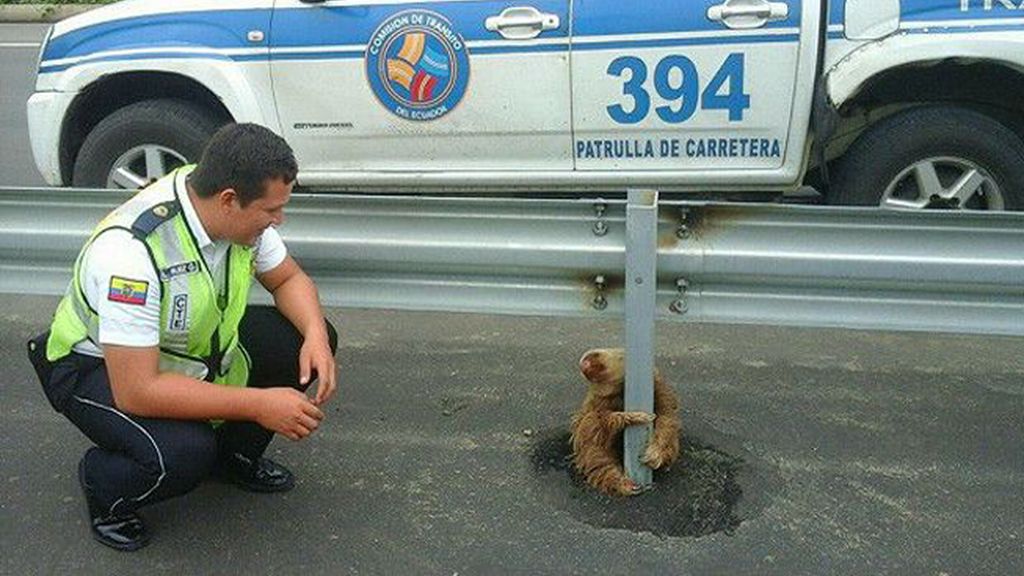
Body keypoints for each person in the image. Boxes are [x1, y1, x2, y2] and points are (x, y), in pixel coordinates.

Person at [26, 123, 338, 551]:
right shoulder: (131, 254)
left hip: (183, 350)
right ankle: (105, 487)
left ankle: (232, 458)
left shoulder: (222, 201)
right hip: (93, 366)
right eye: (271, 211)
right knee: (184, 451)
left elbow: (289, 281)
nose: (278, 220)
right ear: (229, 200)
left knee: (298, 341)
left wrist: (317, 335)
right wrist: (260, 405)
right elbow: (137, 390)